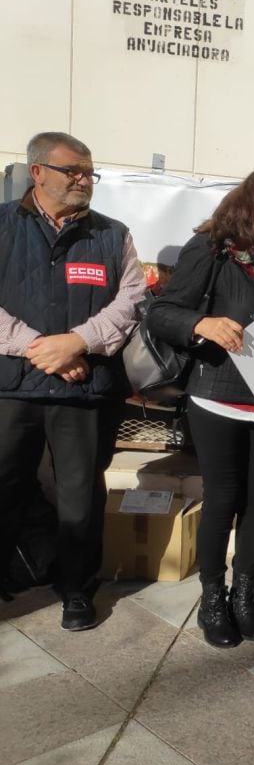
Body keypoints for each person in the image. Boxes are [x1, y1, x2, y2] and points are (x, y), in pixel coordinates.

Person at [147, 168, 254, 648]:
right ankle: (212, 598)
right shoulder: (213, 249)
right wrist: (203, 324)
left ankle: (245, 596)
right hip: (216, 395)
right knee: (223, 500)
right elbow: (162, 312)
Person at [0, 132, 143, 630]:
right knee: (5, 485)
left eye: (89, 172)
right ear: (37, 172)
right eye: (73, 171)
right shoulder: (2, 226)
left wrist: (78, 342)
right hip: (11, 386)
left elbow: (130, 303)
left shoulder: (112, 234)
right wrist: (46, 350)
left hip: (84, 391)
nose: (84, 181)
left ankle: (77, 589)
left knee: (79, 495)